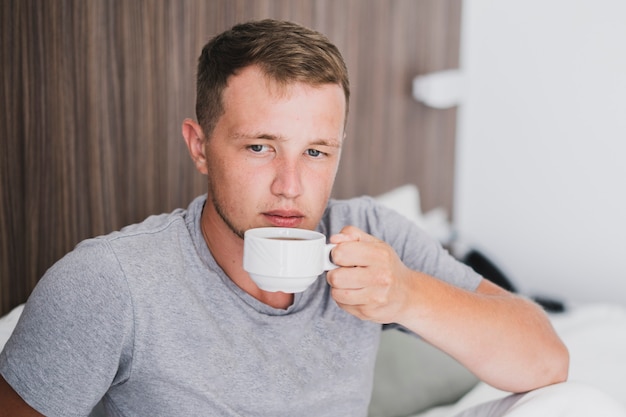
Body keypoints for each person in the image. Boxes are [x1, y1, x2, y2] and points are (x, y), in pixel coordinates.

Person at [1, 18, 605, 417]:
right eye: (260, 146)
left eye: (316, 153)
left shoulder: (368, 233)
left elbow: (547, 360)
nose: (291, 187)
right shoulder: (108, 283)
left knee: (579, 405)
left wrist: (407, 296)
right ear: (199, 146)